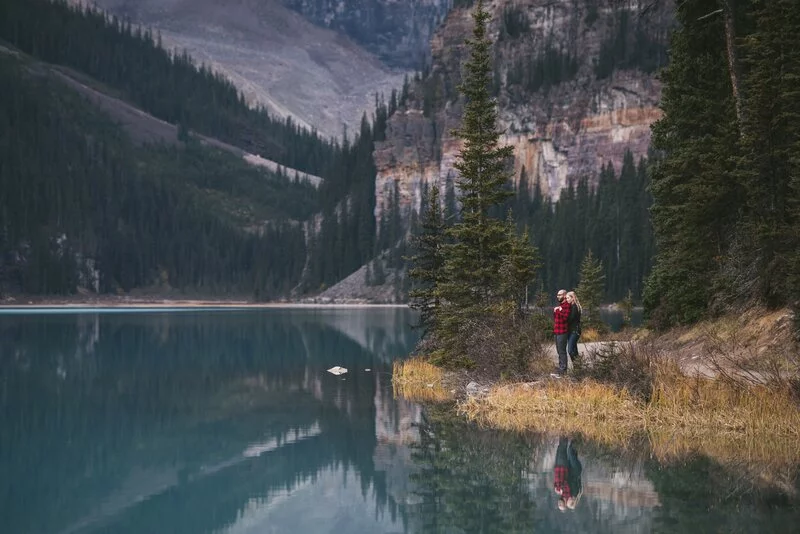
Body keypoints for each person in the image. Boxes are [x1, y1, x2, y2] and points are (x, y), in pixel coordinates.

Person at [553, 436, 583, 512]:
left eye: (559, 505)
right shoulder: (574, 493)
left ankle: (577, 436)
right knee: (570, 451)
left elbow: (560, 481)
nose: (559, 504)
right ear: (566, 503)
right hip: (575, 470)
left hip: (565, 468)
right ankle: (580, 436)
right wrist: (561, 488)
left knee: (570, 451)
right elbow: (569, 482)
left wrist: (557, 487)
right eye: (561, 505)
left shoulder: (563, 493)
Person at [552, 289, 571, 376]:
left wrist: (559, 310)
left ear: (564, 295)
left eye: (559, 295)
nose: (557, 296)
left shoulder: (567, 305)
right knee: (559, 351)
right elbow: (556, 319)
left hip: (563, 331)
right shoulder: (561, 305)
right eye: (557, 295)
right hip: (557, 331)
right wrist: (557, 310)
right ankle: (561, 368)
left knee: (562, 351)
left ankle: (563, 370)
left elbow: (565, 318)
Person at [566, 291, 582, 367]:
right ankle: (578, 369)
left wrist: (563, 316)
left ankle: (577, 367)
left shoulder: (574, 307)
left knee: (570, 350)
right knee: (574, 350)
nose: (567, 299)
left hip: (575, 331)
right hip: (572, 331)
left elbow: (570, 319)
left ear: (572, 298)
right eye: (566, 298)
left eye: (568, 298)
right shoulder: (573, 306)